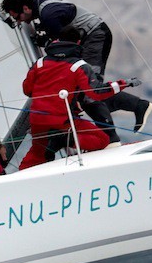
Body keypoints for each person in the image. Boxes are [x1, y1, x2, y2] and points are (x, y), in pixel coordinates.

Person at [2, 0, 150, 137]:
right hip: (90, 37)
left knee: (89, 92)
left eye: (18, 17)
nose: (20, 21)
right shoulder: (43, 3)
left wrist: (46, 42)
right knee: (84, 93)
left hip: (95, 37)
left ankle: (117, 130)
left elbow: (63, 48)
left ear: (26, 8)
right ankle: (115, 129)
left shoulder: (48, 16)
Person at [18, 30, 135, 170]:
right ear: (79, 42)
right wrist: (123, 83)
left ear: (57, 40)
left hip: (37, 119)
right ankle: (64, 140)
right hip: (62, 121)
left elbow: (27, 90)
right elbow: (96, 92)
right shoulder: (79, 66)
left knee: (38, 153)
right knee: (102, 139)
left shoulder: (40, 63)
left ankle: (16, 177)